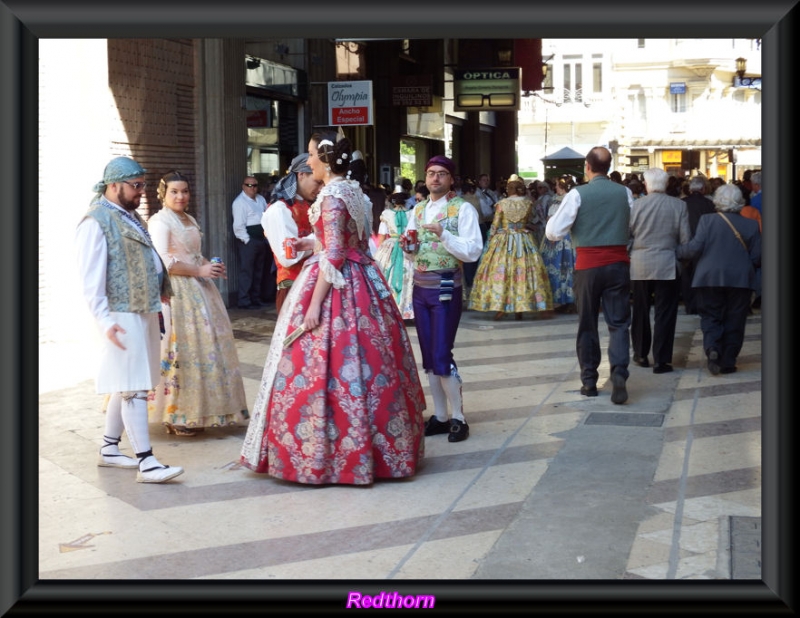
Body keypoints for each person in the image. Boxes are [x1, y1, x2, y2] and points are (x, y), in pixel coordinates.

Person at [240, 132, 426, 484]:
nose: (307, 161)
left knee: (325, 365)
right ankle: (379, 449)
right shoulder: (352, 190)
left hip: (337, 283)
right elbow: (339, 238)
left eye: (311, 155)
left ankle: (331, 455)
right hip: (365, 281)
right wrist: (308, 241)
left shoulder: (331, 196)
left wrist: (313, 305)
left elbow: (335, 254)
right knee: (371, 364)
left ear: (324, 159)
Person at [74, 156, 184, 483]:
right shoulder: (95, 221)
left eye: (143, 185)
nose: (141, 191)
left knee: (129, 383)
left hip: (142, 308)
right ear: (113, 185)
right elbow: (90, 278)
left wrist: (160, 286)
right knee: (132, 387)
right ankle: (147, 463)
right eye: (136, 186)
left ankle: (109, 448)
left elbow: (146, 257)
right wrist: (105, 322)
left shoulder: (128, 214)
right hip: (121, 315)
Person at [146, 171, 249, 436]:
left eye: (184, 191)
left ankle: (201, 410)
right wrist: (199, 271)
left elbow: (195, 254)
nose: (180, 196)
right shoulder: (159, 221)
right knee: (180, 350)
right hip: (176, 292)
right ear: (163, 193)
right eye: (174, 192)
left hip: (200, 290)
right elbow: (164, 261)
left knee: (204, 350)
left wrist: (209, 266)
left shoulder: (188, 218)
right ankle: (176, 415)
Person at [403, 155, 483, 442]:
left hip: (446, 284)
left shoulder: (462, 210)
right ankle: (439, 415)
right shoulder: (419, 209)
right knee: (428, 357)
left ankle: (459, 417)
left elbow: (473, 251)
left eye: (441, 174)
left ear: (451, 179)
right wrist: (408, 248)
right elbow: (412, 251)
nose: (435, 178)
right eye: (431, 173)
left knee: (441, 354)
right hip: (421, 286)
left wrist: (445, 235)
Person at [545, 146, 633, 404]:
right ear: (609, 166)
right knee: (619, 323)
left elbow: (553, 232)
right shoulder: (625, 192)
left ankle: (589, 381)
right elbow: (632, 223)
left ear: (587, 166)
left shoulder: (577, 194)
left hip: (588, 266)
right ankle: (619, 372)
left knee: (587, 323)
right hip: (618, 264)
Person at [676, 183, 761, 375]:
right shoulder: (751, 224)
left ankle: (713, 348)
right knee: (735, 319)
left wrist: (677, 251)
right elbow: (757, 256)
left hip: (709, 277)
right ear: (740, 202)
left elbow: (695, 248)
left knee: (711, 316)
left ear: (717, 201)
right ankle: (728, 361)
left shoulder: (707, 221)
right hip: (740, 280)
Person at [628, 168, 692, 374]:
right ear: (665, 184)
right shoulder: (679, 206)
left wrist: (633, 252)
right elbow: (686, 241)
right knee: (665, 314)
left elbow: (626, 236)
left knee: (640, 311)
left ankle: (640, 353)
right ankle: (662, 361)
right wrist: (677, 255)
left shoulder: (635, 206)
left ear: (646, 184)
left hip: (640, 264)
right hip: (667, 264)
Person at [468, 174, 552, 320]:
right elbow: (531, 219)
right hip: (524, 239)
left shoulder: (502, 204)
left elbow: (494, 226)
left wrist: (490, 243)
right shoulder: (528, 203)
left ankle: (502, 304)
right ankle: (522, 304)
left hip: (504, 240)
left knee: (503, 270)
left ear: (508, 188)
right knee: (524, 271)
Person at [261, 153, 322, 315]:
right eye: (317, 182)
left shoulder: (309, 205)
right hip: (293, 287)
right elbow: (288, 256)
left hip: (313, 285)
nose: (321, 188)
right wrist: (321, 240)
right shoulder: (278, 210)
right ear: (301, 175)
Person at [374, 185, 415, 320]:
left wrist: (379, 253)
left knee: (387, 274)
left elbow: (381, 236)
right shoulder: (412, 213)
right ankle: (408, 310)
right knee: (409, 275)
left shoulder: (386, 215)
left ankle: (391, 309)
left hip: (390, 245)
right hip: (407, 246)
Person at [540, 176, 577, 313]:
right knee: (571, 268)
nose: (555, 188)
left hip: (557, 237)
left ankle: (560, 299)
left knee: (556, 267)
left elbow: (550, 219)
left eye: (556, 185)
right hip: (573, 238)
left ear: (561, 187)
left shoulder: (556, 201)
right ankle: (572, 299)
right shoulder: (575, 199)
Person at [680, 176, 716, 315]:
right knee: (702, 274)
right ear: (703, 189)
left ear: (690, 189)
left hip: (686, 243)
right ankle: (702, 304)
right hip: (705, 244)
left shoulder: (682, 203)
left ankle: (690, 305)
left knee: (687, 276)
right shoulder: (709, 204)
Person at [232, 176, 269, 309]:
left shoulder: (261, 199)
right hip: (248, 240)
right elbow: (238, 226)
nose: (252, 188)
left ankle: (256, 298)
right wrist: (248, 241)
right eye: (249, 185)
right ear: (243, 186)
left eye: (255, 185)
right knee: (247, 271)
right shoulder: (239, 202)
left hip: (261, 239)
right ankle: (244, 300)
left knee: (259, 271)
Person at [476, 173, 498, 241]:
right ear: (479, 182)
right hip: (482, 220)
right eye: (484, 180)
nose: (486, 182)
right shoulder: (476, 192)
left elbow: (497, 204)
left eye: (487, 180)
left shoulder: (491, 193)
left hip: (492, 219)